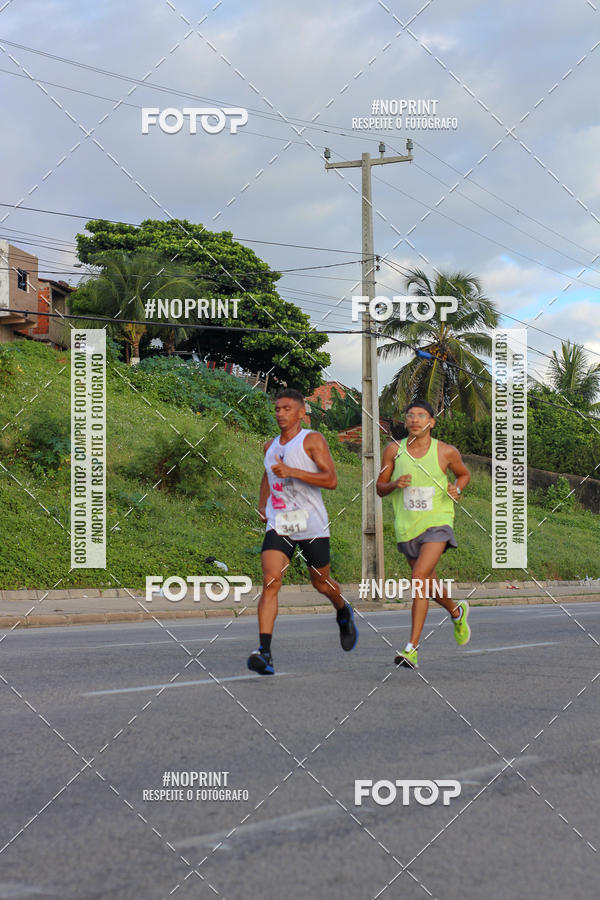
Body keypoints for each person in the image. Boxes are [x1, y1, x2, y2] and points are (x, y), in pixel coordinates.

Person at [247, 388, 358, 675]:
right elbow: (268, 474)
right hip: (280, 522)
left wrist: (294, 472)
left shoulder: (312, 440)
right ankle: (265, 653)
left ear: (300, 412)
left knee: (321, 583)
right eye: (277, 409)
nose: (280, 413)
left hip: (311, 523)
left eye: (286, 409)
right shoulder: (269, 446)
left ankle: (342, 609)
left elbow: (331, 480)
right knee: (270, 581)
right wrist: (262, 503)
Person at [376, 400, 471, 669]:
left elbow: (463, 475)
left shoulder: (446, 451)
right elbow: (380, 488)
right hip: (407, 527)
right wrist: (395, 483)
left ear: (431, 422)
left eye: (421, 415)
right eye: (410, 415)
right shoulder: (393, 451)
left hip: (438, 523)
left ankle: (412, 649)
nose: (415, 419)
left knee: (418, 577)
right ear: (406, 422)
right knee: (428, 583)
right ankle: (456, 611)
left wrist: (457, 489)